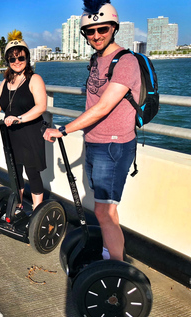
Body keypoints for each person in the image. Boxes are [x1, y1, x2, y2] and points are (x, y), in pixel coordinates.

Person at [43, 0, 140, 261]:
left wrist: (63, 129)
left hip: (113, 146)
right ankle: (110, 255)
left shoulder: (127, 61)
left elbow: (104, 107)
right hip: (95, 142)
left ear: (114, 28)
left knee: (103, 212)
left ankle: (115, 271)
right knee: (107, 211)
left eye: (103, 29)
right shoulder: (97, 59)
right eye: (90, 31)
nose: (96, 35)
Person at [0, 30, 48, 218]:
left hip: (30, 133)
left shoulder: (34, 79)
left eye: (21, 57)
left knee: (32, 174)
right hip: (11, 135)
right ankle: (18, 206)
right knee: (15, 173)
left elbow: (41, 107)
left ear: (27, 57)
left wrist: (20, 118)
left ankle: (37, 212)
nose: (17, 62)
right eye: (12, 59)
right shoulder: (6, 82)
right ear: (8, 61)